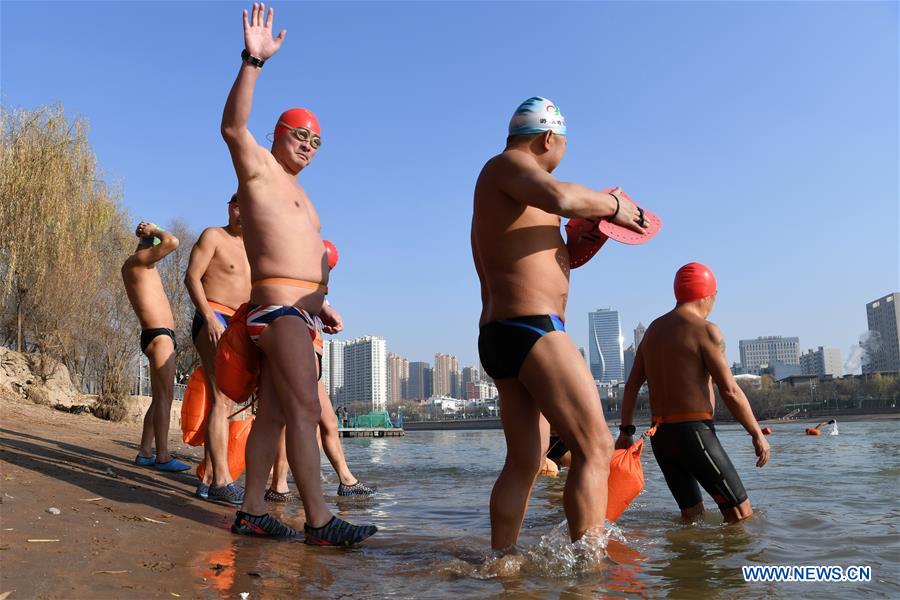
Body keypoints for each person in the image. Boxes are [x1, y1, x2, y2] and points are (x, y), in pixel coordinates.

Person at [220, 2, 375, 545]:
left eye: (315, 141)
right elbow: (232, 126)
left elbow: (304, 263)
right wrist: (253, 61)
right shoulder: (259, 169)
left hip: (297, 313)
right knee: (308, 410)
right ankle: (318, 520)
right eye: (299, 135)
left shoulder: (304, 197)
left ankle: (252, 510)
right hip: (274, 311)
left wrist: (320, 303)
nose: (307, 146)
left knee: (277, 418)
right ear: (278, 134)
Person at [471, 96, 648, 549]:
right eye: (564, 146)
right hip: (531, 328)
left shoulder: (516, 188)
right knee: (595, 446)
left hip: (504, 332)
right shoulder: (508, 166)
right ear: (549, 137)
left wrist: (582, 242)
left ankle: (502, 561)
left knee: (526, 460)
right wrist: (612, 205)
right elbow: (564, 196)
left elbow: (543, 258)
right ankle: (588, 565)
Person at [616, 262, 770, 523]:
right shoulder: (705, 330)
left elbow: (631, 386)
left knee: (692, 518)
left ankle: (690, 562)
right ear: (708, 295)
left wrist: (625, 432)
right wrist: (757, 434)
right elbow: (730, 390)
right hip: (694, 434)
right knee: (742, 517)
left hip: (661, 436)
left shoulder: (652, 331)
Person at [267, 312, 377, 501]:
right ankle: (279, 485)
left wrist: (323, 316)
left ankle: (346, 480)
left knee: (330, 423)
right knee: (291, 420)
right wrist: (324, 309)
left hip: (313, 350)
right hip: (298, 347)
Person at [185, 194, 251, 503]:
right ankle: (221, 481)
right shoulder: (214, 235)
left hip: (241, 325)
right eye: (237, 204)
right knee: (221, 397)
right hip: (213, 315)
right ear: (229, 207)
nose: (241, 212)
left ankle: (209, 476)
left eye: (248, 206)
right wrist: (210, 318)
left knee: (236, 403)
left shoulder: (257, 247)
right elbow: (192, 277)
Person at [121, 222, 190, 472]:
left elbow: (148, 248)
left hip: (158, 335)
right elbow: (172, 242)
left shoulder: (140, 265)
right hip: (159, 336)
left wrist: (146, 238)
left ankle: (145, 452)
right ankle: (162, 456)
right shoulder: (136, 264)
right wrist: (155, 230)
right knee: (165, 398)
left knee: (159, 397)